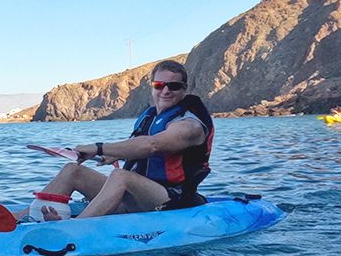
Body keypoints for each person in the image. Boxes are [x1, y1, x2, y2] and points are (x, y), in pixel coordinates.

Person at [30, 59, 213, 219]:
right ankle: (27, 219)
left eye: (173, 86)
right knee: (73, 170)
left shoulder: (191, 125)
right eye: (159, 85)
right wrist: (114, 155)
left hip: (173, 199)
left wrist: (98, 148)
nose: (165, 91)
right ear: (152, 87)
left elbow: (152, 145)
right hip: (137, 196)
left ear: (184, 89)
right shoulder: (150, 118)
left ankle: (73, 228)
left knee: (121, 177)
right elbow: (138, 149)